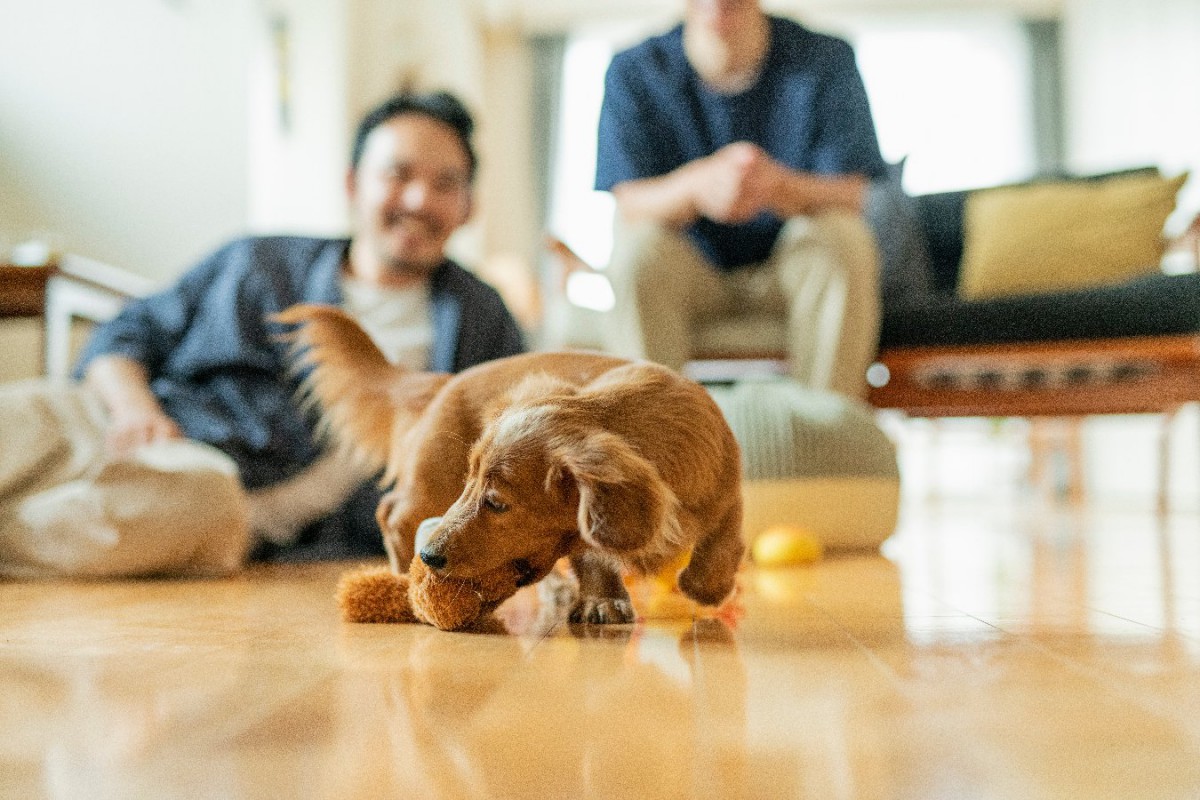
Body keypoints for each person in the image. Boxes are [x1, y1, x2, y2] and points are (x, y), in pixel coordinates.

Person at [0, 90, 525, 578]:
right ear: (353, 184)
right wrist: (135, 409)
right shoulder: (257, 262)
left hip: (209, 501)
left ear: (467, 206)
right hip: (116, 420)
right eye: (397, 174)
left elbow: (514, 457)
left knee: (201, 503)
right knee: (20, 420)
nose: (418, 199)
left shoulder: (484, 322)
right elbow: (127, 333)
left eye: (445, 184)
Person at [594, 0, 887, 397]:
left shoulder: (826, 59)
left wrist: (775, 186)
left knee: (844, 237)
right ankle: (655, 442)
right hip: (689, 270)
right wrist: (698, 186)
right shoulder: (633, 70)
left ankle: (824, 434)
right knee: (635, 251)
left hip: (789, 268)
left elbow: (852, 195)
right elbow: (631, 202)